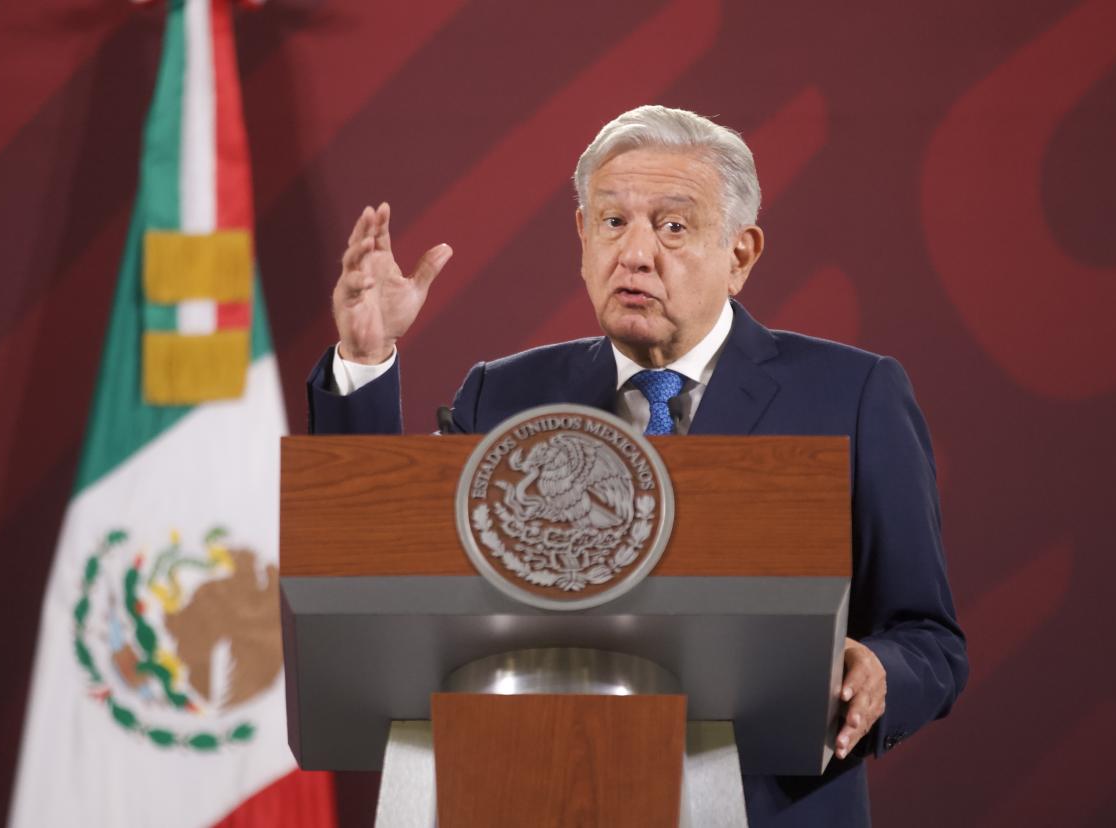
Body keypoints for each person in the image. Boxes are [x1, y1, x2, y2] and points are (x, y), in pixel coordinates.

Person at [306, 105, 968, 826]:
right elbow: (377, 570)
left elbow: (927, 638)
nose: (636, 253)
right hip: (526, 794)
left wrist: (879, 674)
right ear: (583, 239)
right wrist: (366, 363)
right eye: (613, 222)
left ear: (740, 254)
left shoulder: (852, 394)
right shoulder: (505, 394)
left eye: (673, 226)